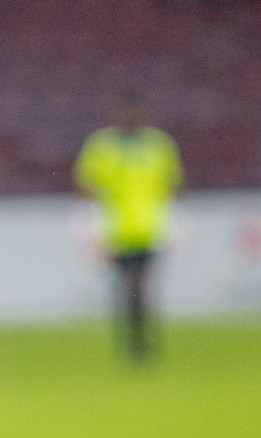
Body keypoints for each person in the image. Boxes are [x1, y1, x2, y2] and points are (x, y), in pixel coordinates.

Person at [74, 93, 183, 363]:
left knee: (142, 286)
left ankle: (140, 342)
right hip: (116, 230)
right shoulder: (102, 146)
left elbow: (175, 181)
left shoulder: (158, 145)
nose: (130, 119)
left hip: (149, 228)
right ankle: (134, 342)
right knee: (127, 287)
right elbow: (84, 183)